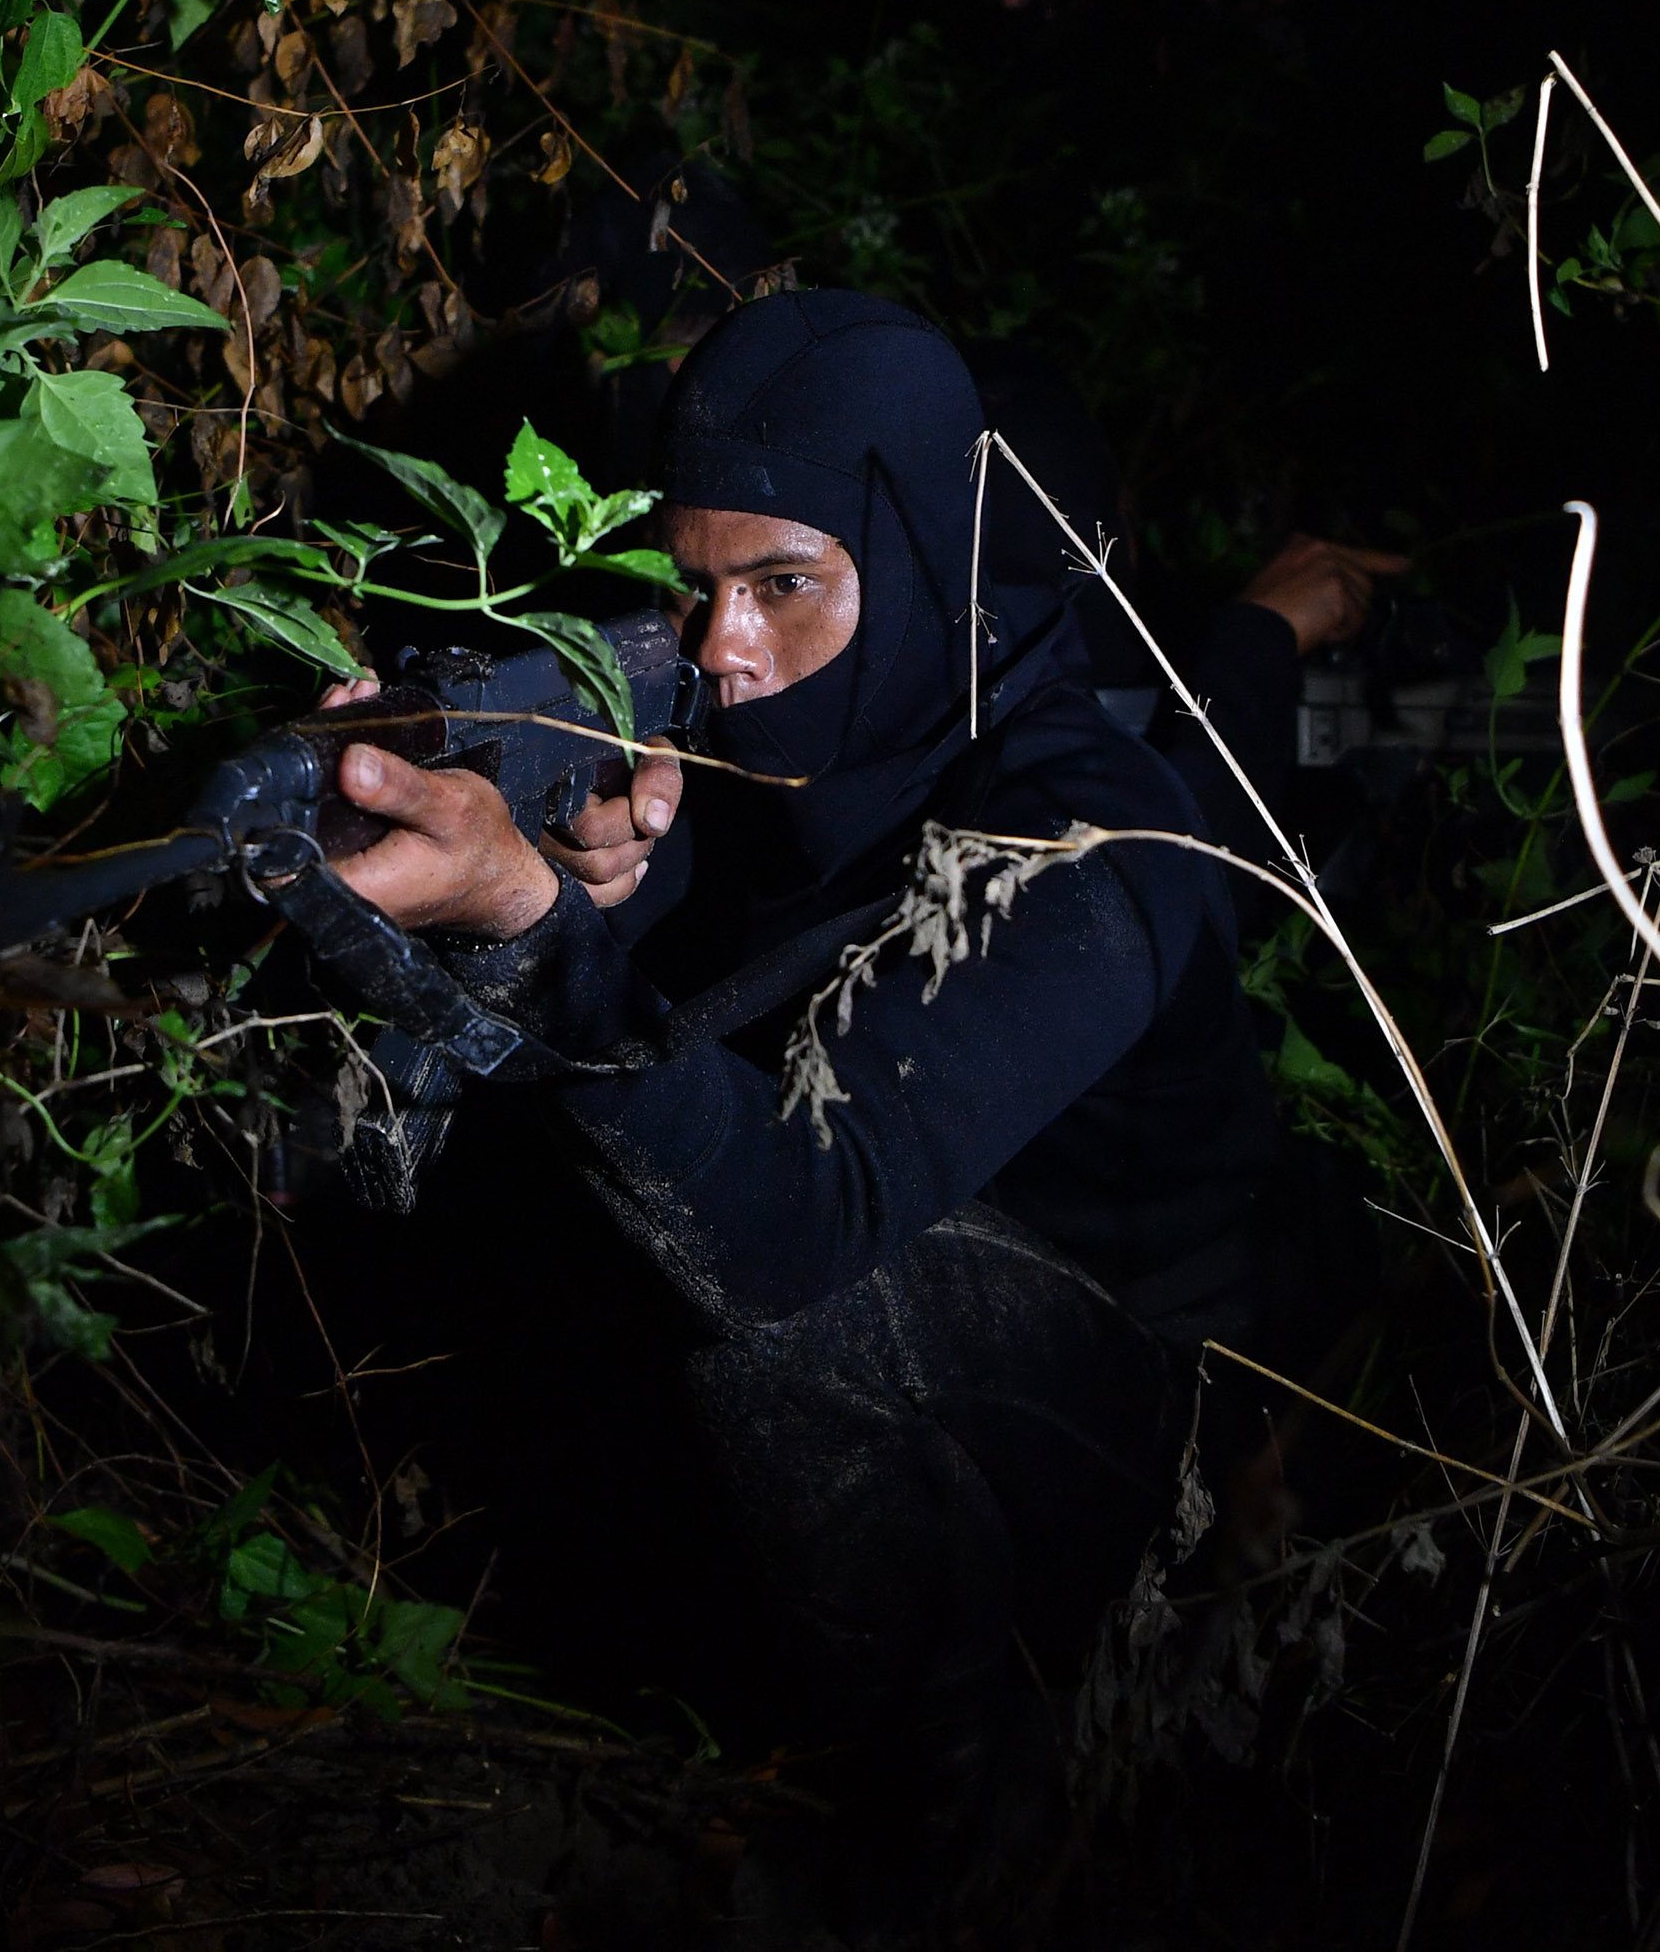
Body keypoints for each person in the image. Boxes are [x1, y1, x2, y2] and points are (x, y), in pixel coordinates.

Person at [313, 290, 1276, 1891]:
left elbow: (782, 1234)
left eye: (785, 585)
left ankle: (969, 1844)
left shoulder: (1100, 842)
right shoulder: (793, 747)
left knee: (778, 1318)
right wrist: (592, 878)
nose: (725, 656)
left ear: (922, 567)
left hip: (1159, 1423)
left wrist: (536, 932)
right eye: (692, 587)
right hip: (928, 1351)